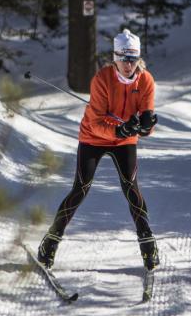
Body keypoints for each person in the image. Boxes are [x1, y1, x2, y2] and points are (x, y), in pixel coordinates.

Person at [37, 30, 161, 271]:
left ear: (138, 59)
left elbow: (146, 116)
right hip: (93, 138)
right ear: (114, 58)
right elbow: (95, 122)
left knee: (131, 188)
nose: (128, 65)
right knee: (80, 189)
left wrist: (146, 127)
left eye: (133, 59)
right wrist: (120, 130)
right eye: (124, 59)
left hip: (124, 142)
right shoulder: (102, 79)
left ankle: (148, 245)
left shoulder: (145, 80)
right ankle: (50, 243)